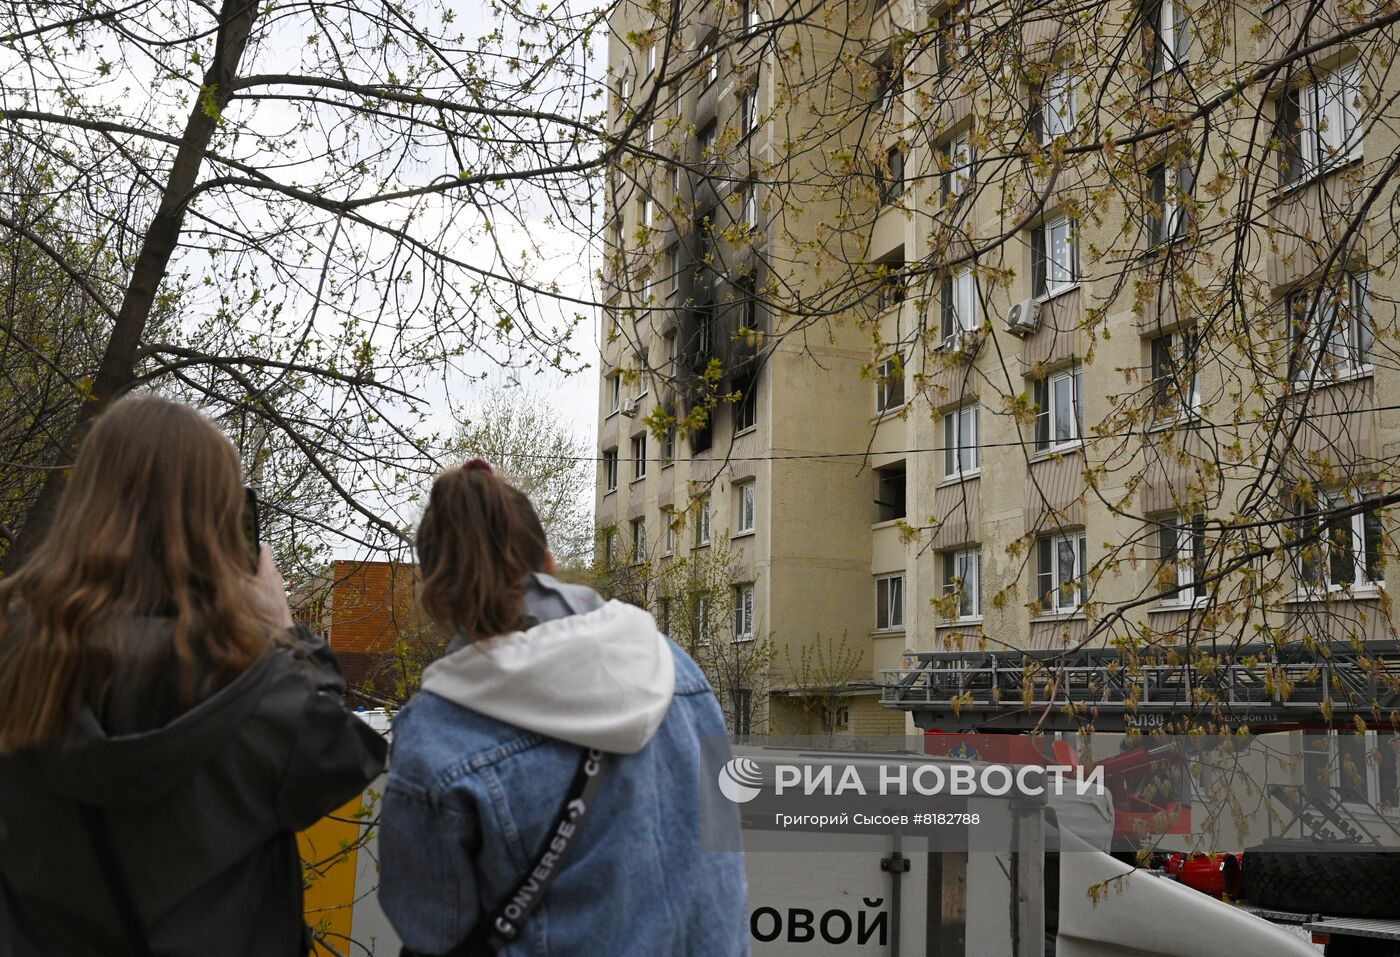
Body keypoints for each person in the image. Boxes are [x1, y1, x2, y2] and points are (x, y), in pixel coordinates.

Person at [0, 395, 388, 957]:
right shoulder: (259, 689)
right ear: (220, 527)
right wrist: (286, 633)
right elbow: (343, 757)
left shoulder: (15, 660)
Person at [379, 461, 749, 956]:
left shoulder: (435, 735)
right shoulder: (678, 671)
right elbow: (723, 862)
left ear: (438, 598)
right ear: (549, 563)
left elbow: (436, 937)